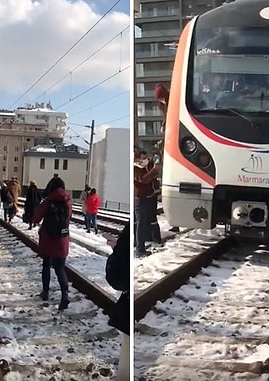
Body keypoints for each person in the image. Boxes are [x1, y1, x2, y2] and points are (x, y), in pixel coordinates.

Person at [33, 177, 72, 310]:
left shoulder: (48, 202)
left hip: (48, 240)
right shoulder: (68, 202)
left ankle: (45, 292)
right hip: (62, 240)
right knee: (60, 269)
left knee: (46, 266)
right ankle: (65, 296)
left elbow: (36, 217)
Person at [105, 225, 130, 381]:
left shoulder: (128, 232)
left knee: (127, 359)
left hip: (127, 306)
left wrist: (118, 249)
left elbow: (116, 277)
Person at [134, 150, 160, 257]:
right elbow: (143, 179)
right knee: (141, 222)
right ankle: (140, 249)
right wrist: (154, 171)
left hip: (150, 196)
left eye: (146, 158)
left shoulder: (149, 165)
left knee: (150, 220)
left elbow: (154, 176)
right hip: (140, 198)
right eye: (142, 158)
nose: (145, 160)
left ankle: (152, 239)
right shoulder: (135, 168)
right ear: (137, 159)